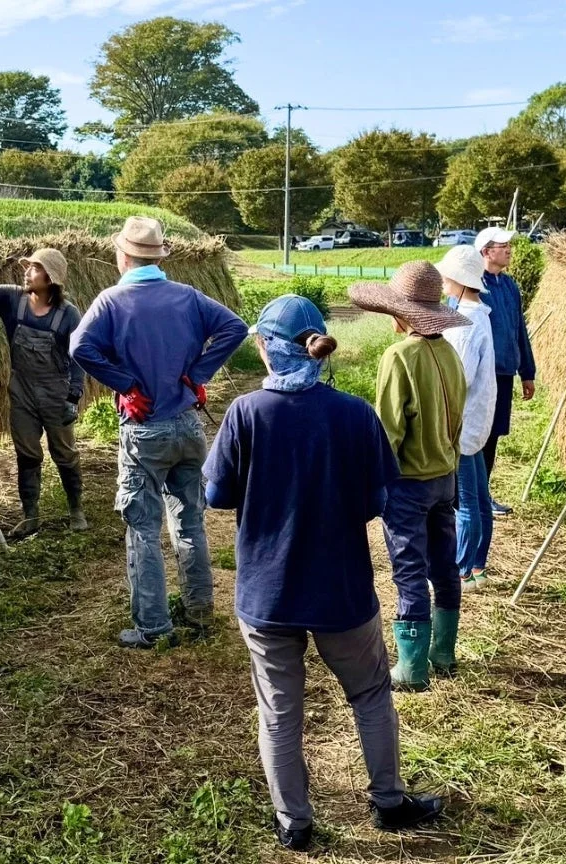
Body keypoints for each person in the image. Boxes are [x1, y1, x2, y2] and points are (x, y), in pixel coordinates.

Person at [203, 294, 445, 850]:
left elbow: (217, 496)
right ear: (318, 348)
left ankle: (294, 823)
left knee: (279, 710)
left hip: (267, 593)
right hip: (342, 589)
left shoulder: (246, 413)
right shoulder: (355, 414)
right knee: (371, 693)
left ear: (267, 348)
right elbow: (378, 500)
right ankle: (389, 803)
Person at [70, 216, 247, 648]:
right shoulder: (187, 296)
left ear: (122, 255)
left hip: (144, 429)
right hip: (187, 426)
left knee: (143, 529)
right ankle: (200, 612)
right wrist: (198, 374)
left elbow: (79, 347)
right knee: (190, 522)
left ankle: (152, 627)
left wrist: (125, 384)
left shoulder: (111, 301)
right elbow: (235, 328)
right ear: (158, 257)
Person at [349, 261, 469, 692]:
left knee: (409, 570)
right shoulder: (449, 353)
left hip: (409, 483)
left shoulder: (399, 356)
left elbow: (388, 431)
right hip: (446, 476)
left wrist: (371, 481)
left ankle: (413, 667)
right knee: (445, 565)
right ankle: (444, 653)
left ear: (400, 314)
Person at [0, 248, 86, 537]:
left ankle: (76, 510)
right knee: (27, 453)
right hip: (22, 392)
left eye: (35, 268)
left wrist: (73, 397)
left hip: (56, 393)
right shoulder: (13, 300)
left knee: (64, 453)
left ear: (50, 278)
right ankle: (31, 516)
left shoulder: (68, 315)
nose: (27, 272)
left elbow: (78, 357)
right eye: (28, 266)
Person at [437, 246, 496, 592]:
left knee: (466, 502)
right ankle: (477, 565)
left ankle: (462, 571)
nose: (444, 281)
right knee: (479, 497)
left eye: (447, 276)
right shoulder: (480, 314)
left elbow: (459, 377)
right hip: (477, 421)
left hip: (463, 422)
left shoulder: (463, 324)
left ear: (460, 280)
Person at [474, 227, 537, 517]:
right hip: (480, 373)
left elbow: (519, 329)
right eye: (503, 246)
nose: (509, 250)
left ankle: (482, 493)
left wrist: (527, 371)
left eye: (509, 245)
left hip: (504, 373)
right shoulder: (473, 285)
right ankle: (468, 496)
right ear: (487, 252)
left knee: (494, 434)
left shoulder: (509, 286)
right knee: (477, 433)